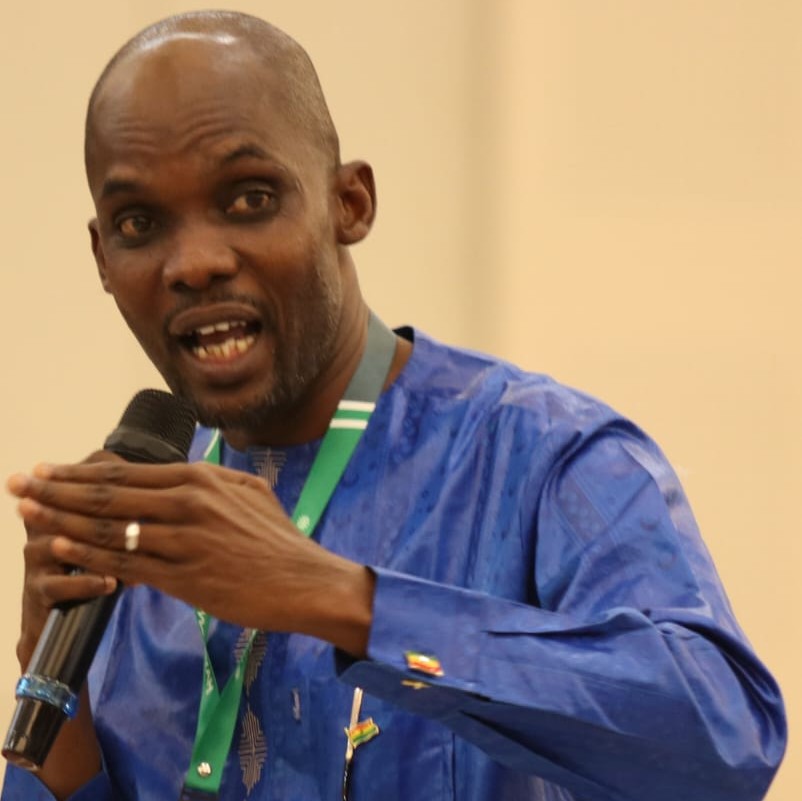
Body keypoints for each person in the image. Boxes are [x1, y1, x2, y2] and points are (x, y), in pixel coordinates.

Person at [1, 9, 786, 801]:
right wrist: (50, 672)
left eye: (249, 198)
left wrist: (340, 598)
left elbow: (724, 742)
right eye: (140, 222)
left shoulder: (541, 455)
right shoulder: (139, 530)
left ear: (349, 203)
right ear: (102, 258)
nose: (195, 263)